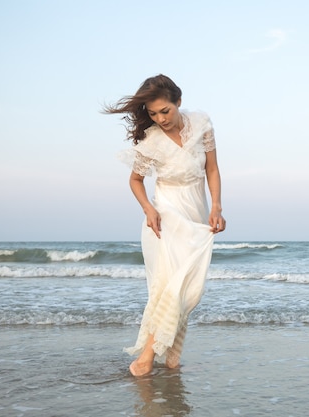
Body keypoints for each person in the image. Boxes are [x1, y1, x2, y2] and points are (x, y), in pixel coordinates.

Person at [105, 74, 226, 376]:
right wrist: (148, 209)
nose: (160, 119)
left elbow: (212, 168)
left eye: (165, 111)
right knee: (172, 286)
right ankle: (145, 359)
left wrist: (217, 207)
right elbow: (134, 180)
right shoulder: (152, 142)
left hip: (196, 210)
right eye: (153, 113)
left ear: (178, 102)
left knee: (190, 288)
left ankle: (171, 357)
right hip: (166, 213)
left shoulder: (201, 124)